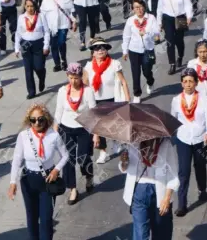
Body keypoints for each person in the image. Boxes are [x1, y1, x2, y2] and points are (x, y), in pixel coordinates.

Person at [8, 103, 69, 240]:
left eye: (40, 119)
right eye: (33, 120)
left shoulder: (53, 136)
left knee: (46, 219)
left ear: (46, 118)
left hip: (47, 180)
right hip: (28, 180)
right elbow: (17, 160)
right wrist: (13, 182)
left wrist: (56, 170)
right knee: (32, 217)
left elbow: (65, 155)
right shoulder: (23, 136)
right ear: (29, 120)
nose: (37, 123)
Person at [171, 68, 207, 217]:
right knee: (183, 171)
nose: (188, 84)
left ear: (196, 82)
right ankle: (182, 204)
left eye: (191, 81)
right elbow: (173, 119)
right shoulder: (176, 100)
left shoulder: (203, 99)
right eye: (185, 81)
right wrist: (172, 136)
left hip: (200, 139)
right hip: (183, 139)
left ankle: (202, 189)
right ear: (181, 83)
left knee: (200, 165)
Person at [119, 137, 179, 240]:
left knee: (161, 232)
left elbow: (173, 173)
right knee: (140, 233)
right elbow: (125, 168)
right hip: (138, 191)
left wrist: (167, 198)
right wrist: (124, 162)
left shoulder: (165, 144)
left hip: (160, 192)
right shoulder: (133, 143)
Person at [53, 63, 96, 204]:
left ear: (80, 77)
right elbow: (59, 110)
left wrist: (96, 134)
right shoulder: (62, 91)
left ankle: (88, 175)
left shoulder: (88, 91)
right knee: (68, 159)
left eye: (76, 78)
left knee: (83, 157)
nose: (73, 81)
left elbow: (93, 113)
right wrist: (55, 128)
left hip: (84, 128)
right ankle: (72, 189)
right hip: (66, 128)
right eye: (70, 78)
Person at [83, 37, 130, 163]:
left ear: (107, 50)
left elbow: (123, 82)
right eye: (97, 48)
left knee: (112, 125)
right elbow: (85, 84)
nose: (100, 50)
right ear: (93, 52)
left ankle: (116, 140)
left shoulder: (114, 64)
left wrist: (127, 100)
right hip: (95, 101)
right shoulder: (88, 67)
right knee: (98, 127)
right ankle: (103, 152)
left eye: (103, 48)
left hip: (112, 99)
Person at [122, 0, 160, 103]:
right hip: (134, 50)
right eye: (136, 7)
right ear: (133, 9)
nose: (139, 9)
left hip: (148, 49)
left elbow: (157, 31)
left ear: (144, 7)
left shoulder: (151, 18)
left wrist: (146, 31)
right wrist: (125, 51)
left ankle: (150, 81)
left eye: (140, 6)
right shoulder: (130, 20)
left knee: (147, 70)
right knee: (135, 72)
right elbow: (126, 36)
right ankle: (137, 94)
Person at [157, 0, 193, 75]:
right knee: (170, 41)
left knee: (179, 41)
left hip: (180, 18)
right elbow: (159, 8)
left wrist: (189, 17)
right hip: (167, 19)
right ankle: (172, 64)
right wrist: (159, 22)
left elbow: (188, 5)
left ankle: (180, 57)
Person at [15, 0, 50, 99]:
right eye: (28, 6)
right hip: (25, 44)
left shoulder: (41, 16)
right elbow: (18, 33)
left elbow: (46, 32)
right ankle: (31, 91)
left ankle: (42, 77)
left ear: (35, 6)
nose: (30, 8)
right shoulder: (21, 17)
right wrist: (17, 48)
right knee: (28, 69)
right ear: (25, 7)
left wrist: (46, 46)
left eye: (32, 6)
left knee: (38, 67)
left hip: (38, 43)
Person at [41, 0, 77, 72]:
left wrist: (74, 21)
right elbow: (42, 11)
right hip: (51, 26)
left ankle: (64, 60)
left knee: (61, 42)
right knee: (53, 45)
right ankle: (57, 63)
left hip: (63, 23)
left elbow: (71, 9)